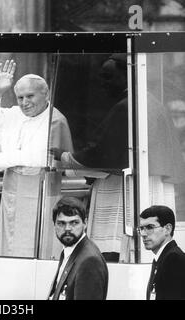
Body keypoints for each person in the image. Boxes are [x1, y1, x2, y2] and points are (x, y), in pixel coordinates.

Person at [52, 53, 185, 262]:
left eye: (108, 77)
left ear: (127, 76)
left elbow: (104, 154)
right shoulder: (149, 101)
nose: (103, 84)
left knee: (116, 249)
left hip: (126, 189)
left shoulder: (127, 106)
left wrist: (66, 157)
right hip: (148, 185)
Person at [0, 59, 73, 257]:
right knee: (10, 242)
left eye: (30, 96)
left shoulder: (55, 120)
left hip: (40, 187)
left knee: (34, 244)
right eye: (19, 97)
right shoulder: (15, 114)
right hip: (13, 185)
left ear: (45, 95)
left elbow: (37, 156)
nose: (24, 103)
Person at [48, 197, 108, 300]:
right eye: (61, 223)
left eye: (74, 223)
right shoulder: (68, 251)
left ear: (85, 223)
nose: (67, 228)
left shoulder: (90, 260)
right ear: (54, 225)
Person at [139, 205, 185, 300]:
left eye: (149, 227)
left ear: (167, 229)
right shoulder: (161, 259)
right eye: (141, 228)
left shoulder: (175, 260)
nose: (143, 234)